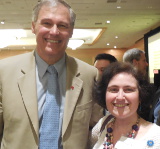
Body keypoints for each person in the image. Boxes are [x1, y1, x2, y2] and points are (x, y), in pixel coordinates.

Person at [0, 0, 101, 149]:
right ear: (33, 26)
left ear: (71, 31)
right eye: (46, 23)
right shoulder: (4, 71)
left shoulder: (89, 75)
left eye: (62, 25)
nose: (54, 31)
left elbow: (96, 129)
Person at [89, 62, 160, 149]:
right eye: (114, 89)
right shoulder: (102, 124)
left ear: (141, 95)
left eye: (128, 90)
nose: (120, 97)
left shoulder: (156, 137)